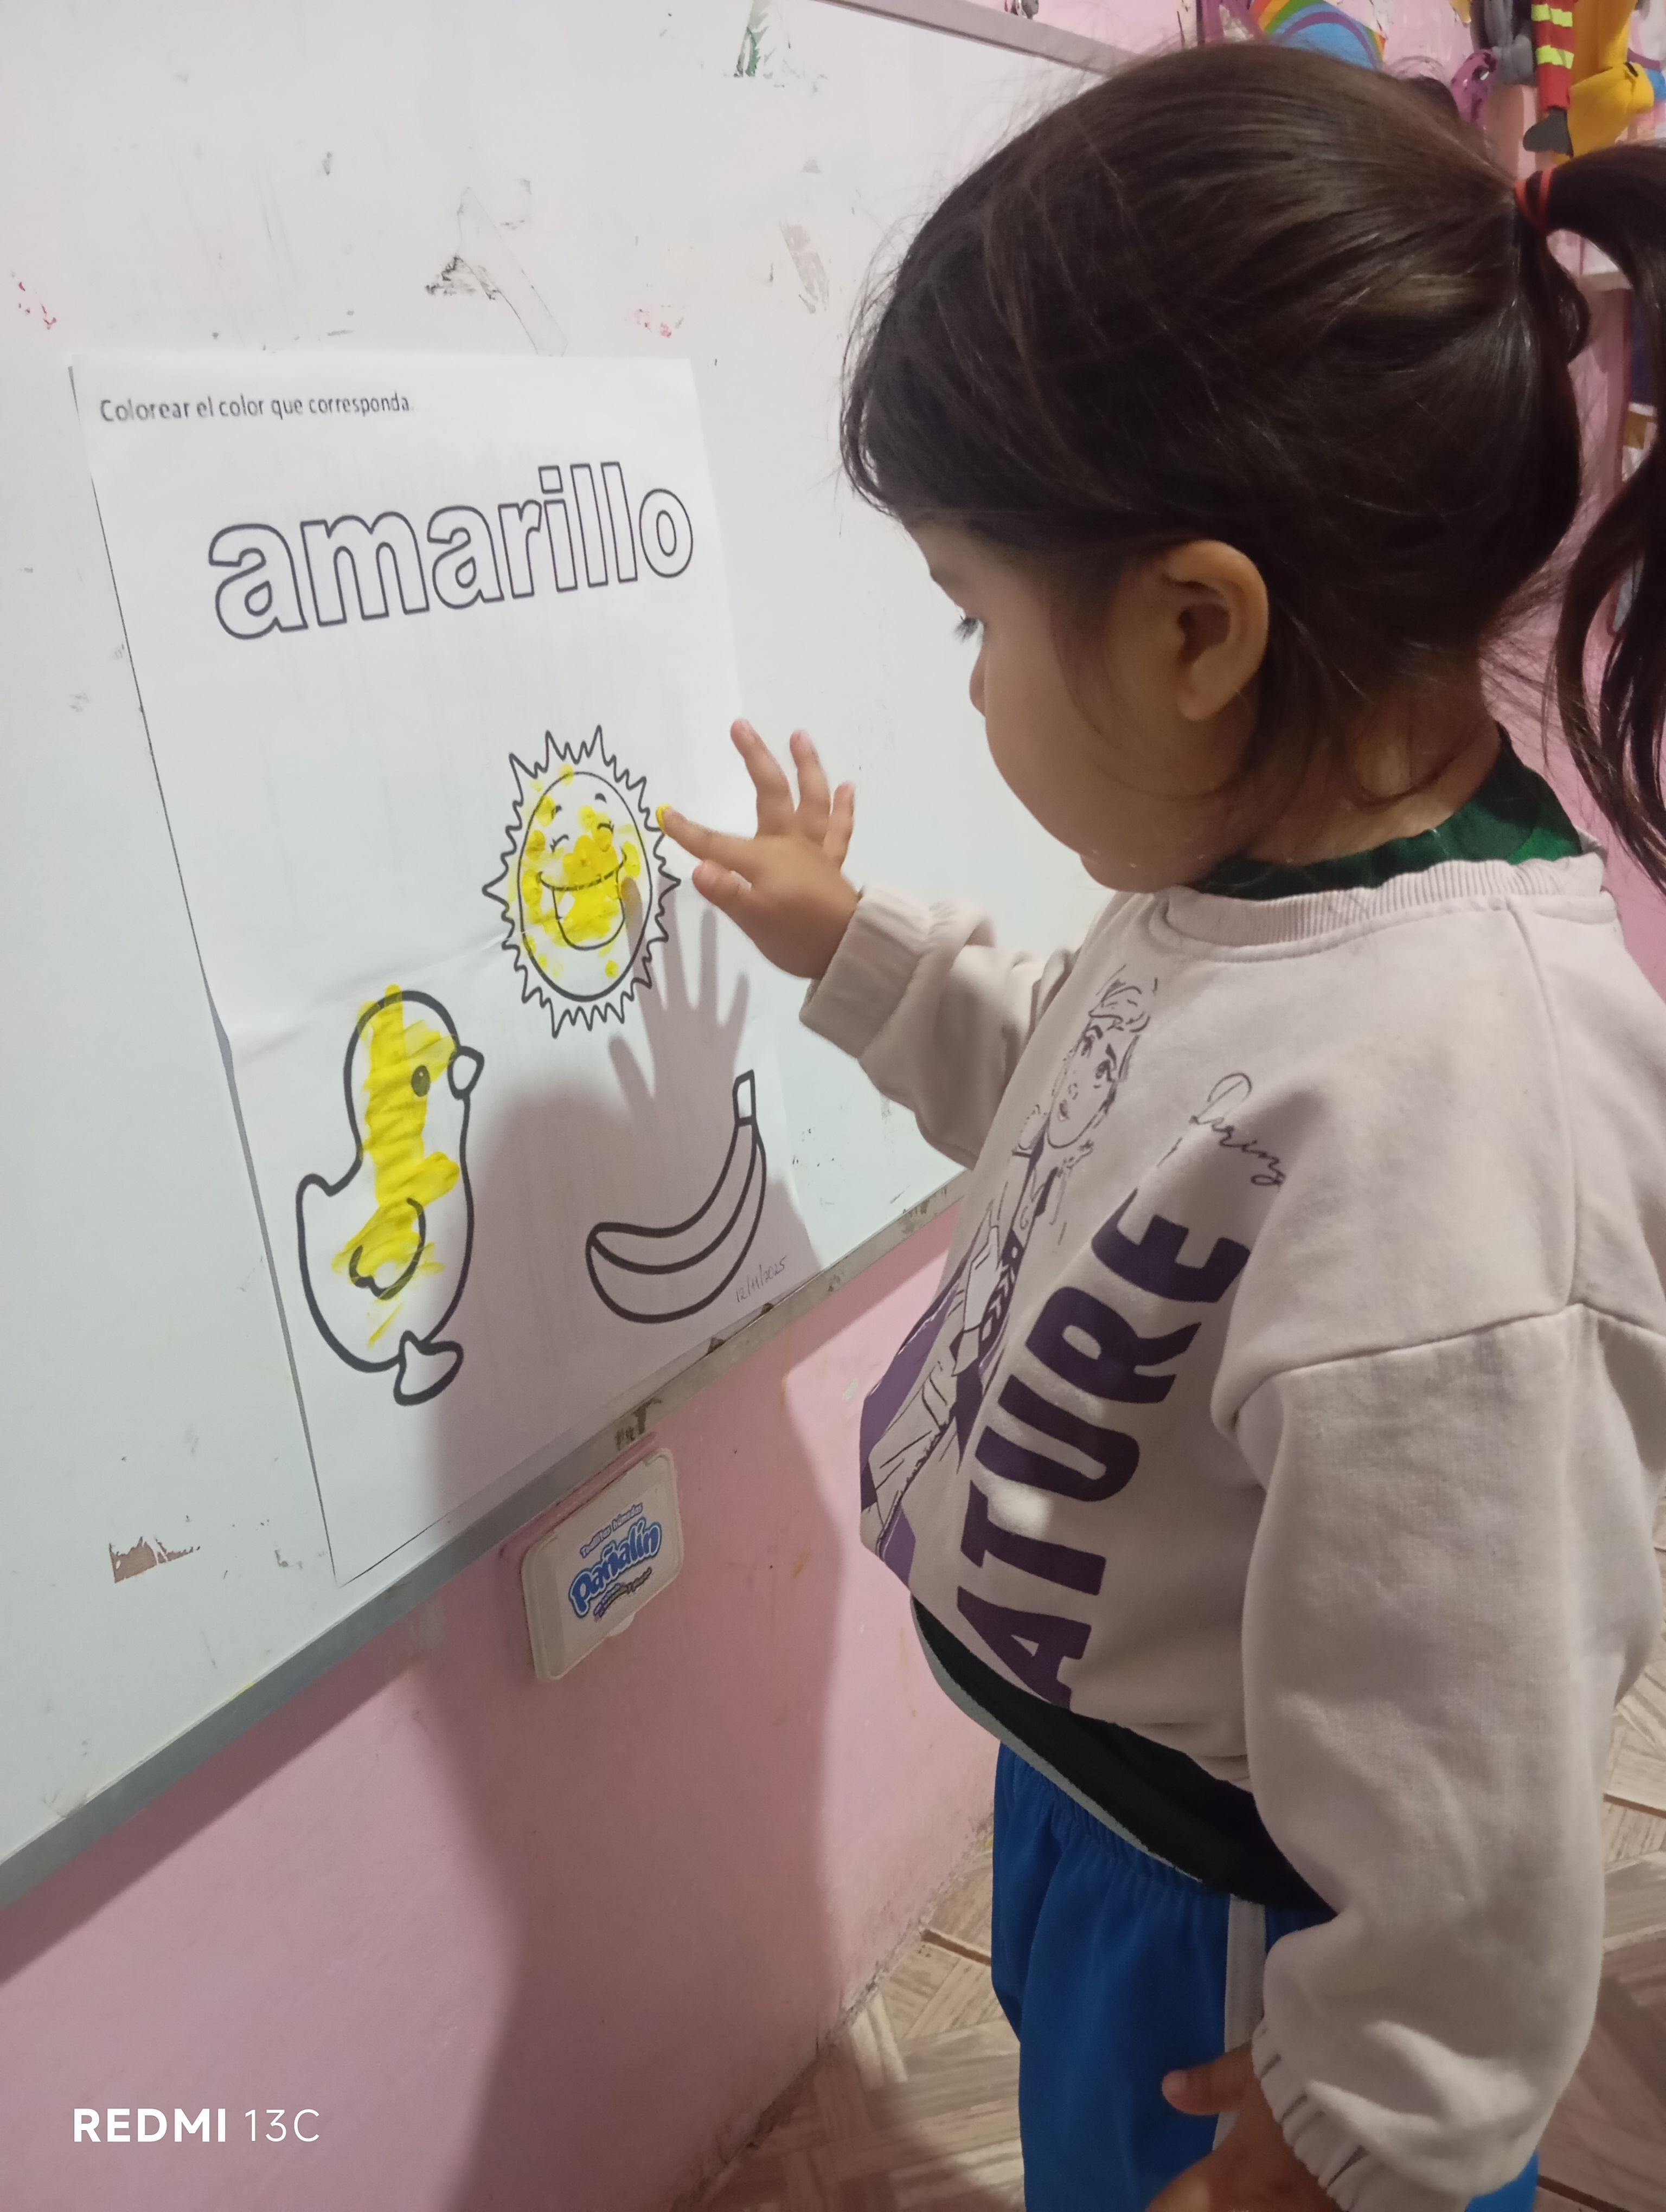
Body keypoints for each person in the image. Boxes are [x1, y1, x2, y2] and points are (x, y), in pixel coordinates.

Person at [660, 44, 1666, 2212]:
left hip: (1258, 1944)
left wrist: (1363, 2115)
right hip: (1105, 1814)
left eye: (973, 615)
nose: (967, 682)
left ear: (1198, 628)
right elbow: (1102, 1113)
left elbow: (1480, 1770)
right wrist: (857, 946)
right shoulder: (1248, 904)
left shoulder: (1459, 1117)